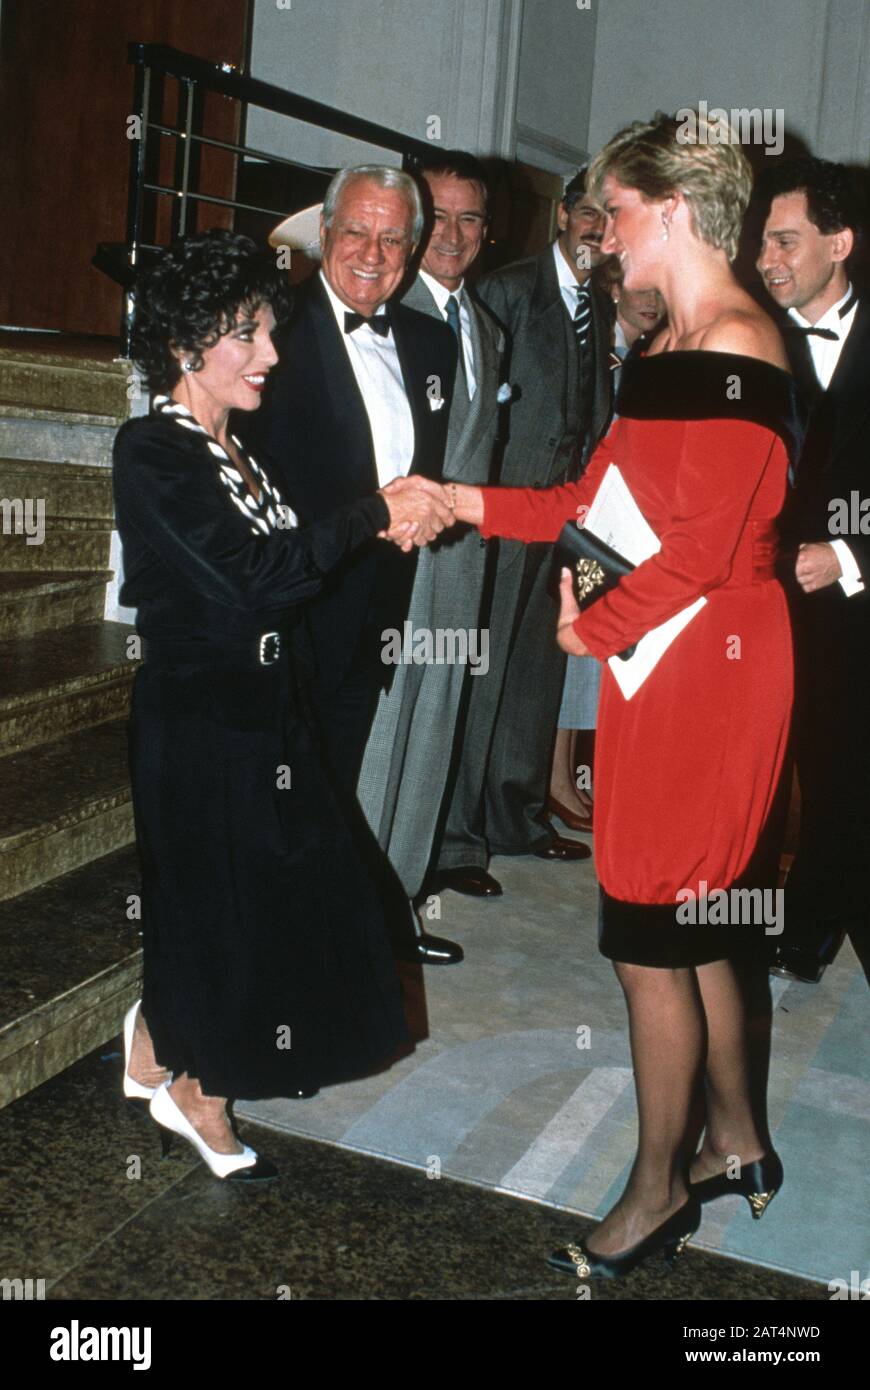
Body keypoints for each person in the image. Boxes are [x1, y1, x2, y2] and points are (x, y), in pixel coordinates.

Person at [449, 111, 803, 1278]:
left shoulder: (744, 346)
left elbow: (704, 553)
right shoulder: (665, 349)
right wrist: (459, 502)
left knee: (652, 929)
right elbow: (584, 501)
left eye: (620, 216)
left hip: (713, 666)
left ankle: (657, 1190)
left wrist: (586, 628)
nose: (603, 239)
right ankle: (738, 1139)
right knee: (696, 923)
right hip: (664, 652)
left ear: (680, 214)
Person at [116, 229, 455, 1180]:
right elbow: (251, 578)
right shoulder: (152, 451)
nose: (271, 354)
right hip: (197, 718)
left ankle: (156, 1040)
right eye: (248, 337)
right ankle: (201, 1087)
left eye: (269, 332)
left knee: (253, 893)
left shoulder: (241, 452)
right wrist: (369, 515)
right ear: (189, 347)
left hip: (264, 707)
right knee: (221, 901)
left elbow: (287, 572)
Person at [242, 164, 462, 965]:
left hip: (375, 614)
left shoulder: (433, 344)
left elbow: (415, 474)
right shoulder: (268, 333)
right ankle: (256, 999)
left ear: (411, 248)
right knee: (273, 803)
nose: (373, 252)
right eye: (357, 233)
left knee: (333, 788)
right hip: (285, 613)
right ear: (325, 236)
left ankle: (303, 975)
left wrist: (422, 517)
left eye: (392, 237)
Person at [437, 167, 614, 898]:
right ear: (564, 215)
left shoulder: (596, 304)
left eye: (613, 219)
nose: (598, 231)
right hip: (504, 512)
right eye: (589, 214)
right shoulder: (508, 289)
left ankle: (514, 817)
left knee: (536, 672)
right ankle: (457, 839)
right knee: (481, 675)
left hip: (562, 519)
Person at [355, 151, 506, 949]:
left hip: (460, 566)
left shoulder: (485, 326)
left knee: (433, 731)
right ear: (412, 231)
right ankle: (354, 909)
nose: (453, 234)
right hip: (395, 561)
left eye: (470, 218)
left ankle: (397, 903)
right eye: (438, 218)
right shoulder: (386, 307)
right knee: (382, 735)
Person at [755, 157, 870, 987]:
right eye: (762, 242)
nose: (766, 259)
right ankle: (759, 923)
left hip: (856, 607)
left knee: (843, 772)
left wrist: (849, 556)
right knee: (756, 771)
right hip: (756, 603)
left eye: (784, 241)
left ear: (841, 242)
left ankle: (820, 918)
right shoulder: (749, 341)